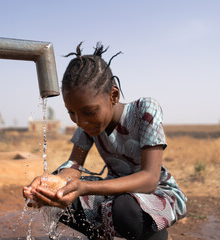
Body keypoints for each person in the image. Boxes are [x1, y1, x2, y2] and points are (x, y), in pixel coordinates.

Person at [23, 42, 187, 240]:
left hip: (156, 194)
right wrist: (51, 184)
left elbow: (150, 179)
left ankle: (157, 236)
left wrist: (85, 187)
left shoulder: (144, 110)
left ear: (113, 95)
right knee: (59, 197)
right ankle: (101, 237)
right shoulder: (89, 124)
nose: (81, 121)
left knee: (125, 208)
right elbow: (74, 166)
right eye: (72, 113)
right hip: (115, 190)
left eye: (89, 111)